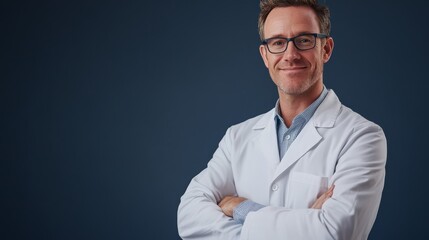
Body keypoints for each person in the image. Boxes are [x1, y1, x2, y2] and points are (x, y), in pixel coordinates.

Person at [177, 0, 387, 239]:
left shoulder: (361, 136)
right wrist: (305, 222)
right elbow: (188, 217)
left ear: (326, 49)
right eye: (278, 42)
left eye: (304, 40)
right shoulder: (237, 137)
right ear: (265, 55)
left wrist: (240, 208)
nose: (290, 54)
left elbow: (334, 233)